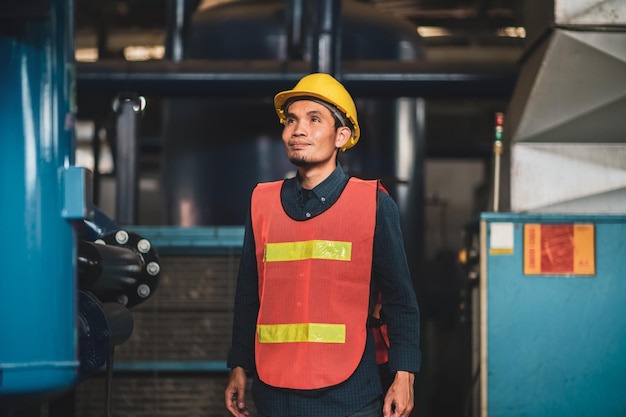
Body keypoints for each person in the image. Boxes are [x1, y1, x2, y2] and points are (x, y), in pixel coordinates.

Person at [224, 73, 421, 417]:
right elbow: (248, 295)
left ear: (341, 136)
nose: (298, 130)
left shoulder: (372, 203)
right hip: (274, 392)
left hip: (348, 395)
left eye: (314, 120)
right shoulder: (262, 202)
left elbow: (400, 301)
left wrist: (404, 376)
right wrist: (239, 364)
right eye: (291, 120)